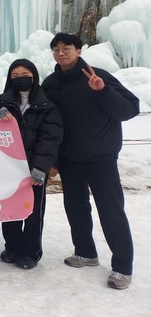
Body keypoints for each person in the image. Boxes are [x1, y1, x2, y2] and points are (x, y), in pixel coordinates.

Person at [41, 33, 139, 290]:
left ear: (79, 51)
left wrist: (103, 91)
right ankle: (85, 252)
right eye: (56, 49)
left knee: (111, 210)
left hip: (100, 157)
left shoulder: (98, 76)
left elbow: (130, 109)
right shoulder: (51, 83)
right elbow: (46, 120)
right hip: (68, 158)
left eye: (66, 48)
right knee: (76, 207)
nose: (61, 53)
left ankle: (122, 267)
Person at [0, 59, 63, 270]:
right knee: (9, 209)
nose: (20, 79)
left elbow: (50, 138)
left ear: (34, 76)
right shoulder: (3, 101)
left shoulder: (48, 106)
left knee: (33, 212)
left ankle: (31, 252)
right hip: (9, 166)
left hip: (34, 168)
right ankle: (12, 247)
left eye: (24, 75)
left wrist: (40, 167)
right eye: (15, 76)